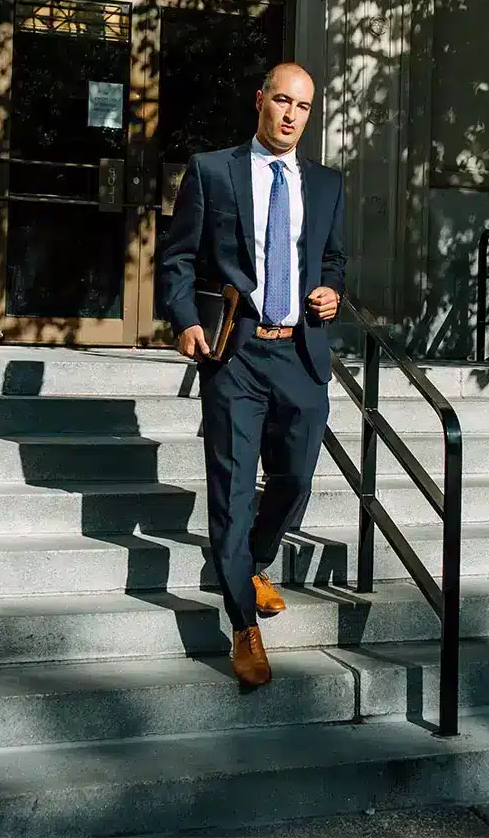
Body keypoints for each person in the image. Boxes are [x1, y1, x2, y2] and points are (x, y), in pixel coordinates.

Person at [158, 62, 346, 688]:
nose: (292, 115)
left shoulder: (326, 184)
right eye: (283, 101)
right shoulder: (214, 170)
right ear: (259, 100)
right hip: (236, 356)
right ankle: (243, 624)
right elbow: (178, 256)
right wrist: (184, 320)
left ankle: (255, 563)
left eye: (304, 107)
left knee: (294, 479)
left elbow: (333, 259)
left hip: (301, 355)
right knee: (233, 494)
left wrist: (331, 294)